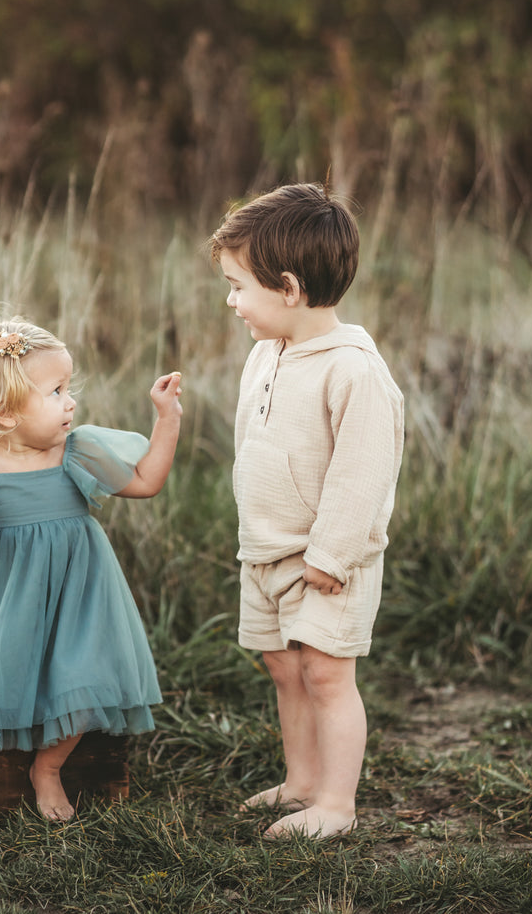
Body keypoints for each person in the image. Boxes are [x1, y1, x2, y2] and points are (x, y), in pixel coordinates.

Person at [0, 311, 182, 849]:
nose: (71, 402)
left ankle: (48, 769)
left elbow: (146, 482)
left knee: (83, 675)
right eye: (55, 391)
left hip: (78, 594)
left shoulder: (77, 451)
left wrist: (167, 417)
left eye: (69, 387)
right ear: (3, 413)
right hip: (2, 601)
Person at [208, 183, 404, 840]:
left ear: (288, 288)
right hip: (265, 549)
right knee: (284, 667)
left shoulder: (353, 371)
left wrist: (331, 554)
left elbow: (363, 472)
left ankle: (336, 805)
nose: (231, 301)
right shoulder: (268, 353)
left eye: (239, 287)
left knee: (325, 672)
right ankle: (300, 782)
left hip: (327, 560)